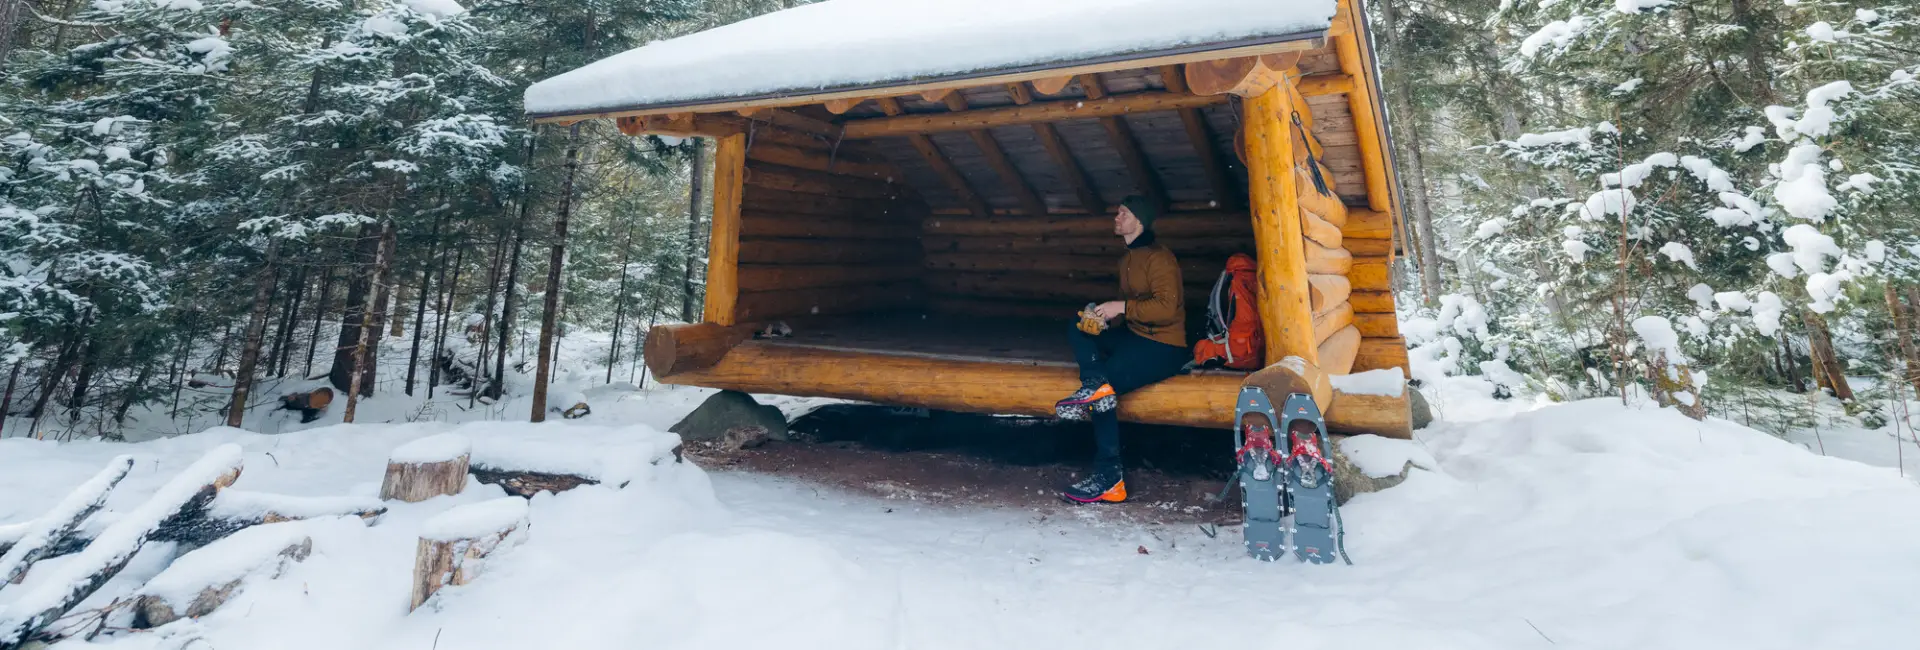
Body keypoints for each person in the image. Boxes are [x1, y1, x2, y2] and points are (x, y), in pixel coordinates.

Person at [1055, 196, 1189, 503]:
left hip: (1164, 345)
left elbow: (1166, 308)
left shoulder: (1160, 259)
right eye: (1118, 213)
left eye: (1123, 213)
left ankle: (1110, 478)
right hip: (1135, 335)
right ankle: (1093, 381)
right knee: (1079, 326)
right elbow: (1131, 311)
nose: (1117, 218)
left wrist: (1121, 307)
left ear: (1139, 221)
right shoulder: (1127, 259)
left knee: (1105, 391)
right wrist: (1106, 320)